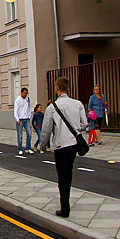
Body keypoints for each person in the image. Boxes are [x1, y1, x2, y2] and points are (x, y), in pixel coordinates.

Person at [40, 76, 87, 218]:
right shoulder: (78, 104)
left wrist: (43, 145)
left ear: (57, 88)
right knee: (69, 173)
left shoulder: (52, 107)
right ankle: (66, 203)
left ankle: (64, 208)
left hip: (60, 145)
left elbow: (46, 129)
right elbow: (84, 124)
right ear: (67, 88)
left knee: (62, 176)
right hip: (73, 144)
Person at [14, 87, 33, 155]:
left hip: (26, 119)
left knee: (29, 133)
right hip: (20, 119)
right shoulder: (18, 100)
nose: (25, 95)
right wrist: (17, 119)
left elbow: (29, 108)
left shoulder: (27, 99)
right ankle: (20, 149)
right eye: (25, 93)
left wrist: (29, 116)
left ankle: (28, 148)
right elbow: (16, 110)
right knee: (20, 135)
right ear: (21, 92)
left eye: (26, 93)